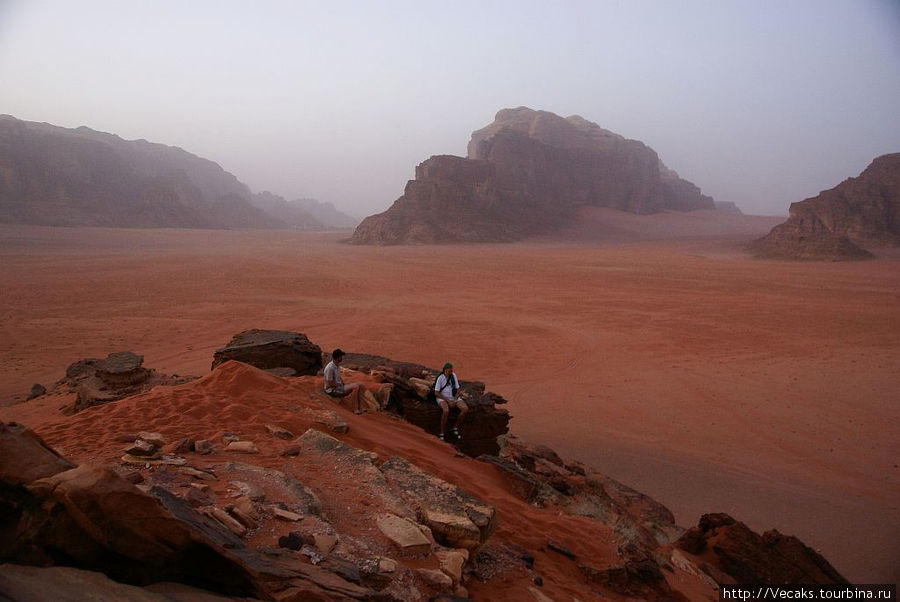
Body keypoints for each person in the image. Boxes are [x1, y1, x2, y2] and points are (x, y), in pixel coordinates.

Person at [323, 348, 392, 413]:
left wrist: (343, 383)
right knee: (356, 387)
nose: (342, 358)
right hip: (333, 390)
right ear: (338, 357)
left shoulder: (336, 365)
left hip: (339, 387)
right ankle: (355, 408)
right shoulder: (330, 368)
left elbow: (338, 378)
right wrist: (340, 385)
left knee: (360, 384)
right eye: (341, 356)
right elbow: (330, 384)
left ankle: (361, 406)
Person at [434, 362, 468, 441]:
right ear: (445, 370)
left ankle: (455, 427)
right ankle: (442, 432)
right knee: (446, 411)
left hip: (453, 397)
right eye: (449, 371)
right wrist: (448, 401)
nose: (451, 372)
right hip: (442, 398)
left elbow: (458, 389)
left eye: (451, 370)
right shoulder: (440, 378)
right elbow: (436, 393)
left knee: (465, 409)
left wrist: (455, 399)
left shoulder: (453, 376)